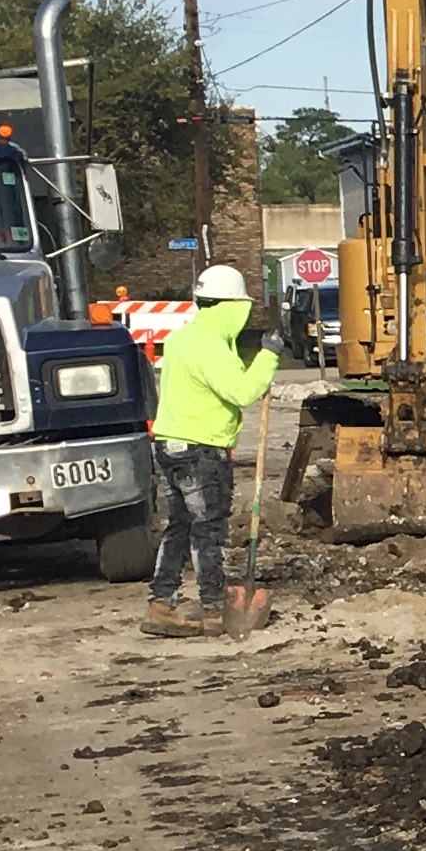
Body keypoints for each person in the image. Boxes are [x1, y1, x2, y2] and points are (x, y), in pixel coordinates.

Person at [146, 262, 281, 633]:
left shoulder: (181, 338)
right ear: (231, 307)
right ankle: (212, 607)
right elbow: (242, 391)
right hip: (201, 451)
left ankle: (160, 603)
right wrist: (268, 356)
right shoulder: (209, 345)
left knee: (179, 526)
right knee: (208, 530)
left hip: (169, 445)